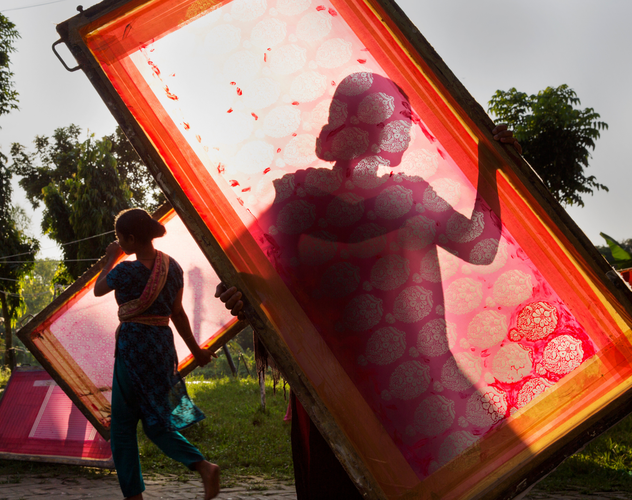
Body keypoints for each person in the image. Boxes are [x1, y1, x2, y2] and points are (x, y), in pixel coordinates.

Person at [214, 71, 520, 498]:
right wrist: (240, 294)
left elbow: (480, 249)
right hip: (334, 390)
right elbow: (261, 280)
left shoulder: (408, 195)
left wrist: (490, 166)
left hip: (408, 390)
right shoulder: (298, 195)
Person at [94, 208, 221, 500]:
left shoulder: (125, 270)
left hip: (133, 349)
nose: (119, 243)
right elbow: (177, 313)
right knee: (156, 421)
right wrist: (196, 351)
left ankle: (134, 497)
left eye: (120, 239)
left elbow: (99, 289)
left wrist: (110, 259)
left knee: (123, 429)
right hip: (162, 349)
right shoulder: (171, 266)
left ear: (131, 238)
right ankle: (202, 466)